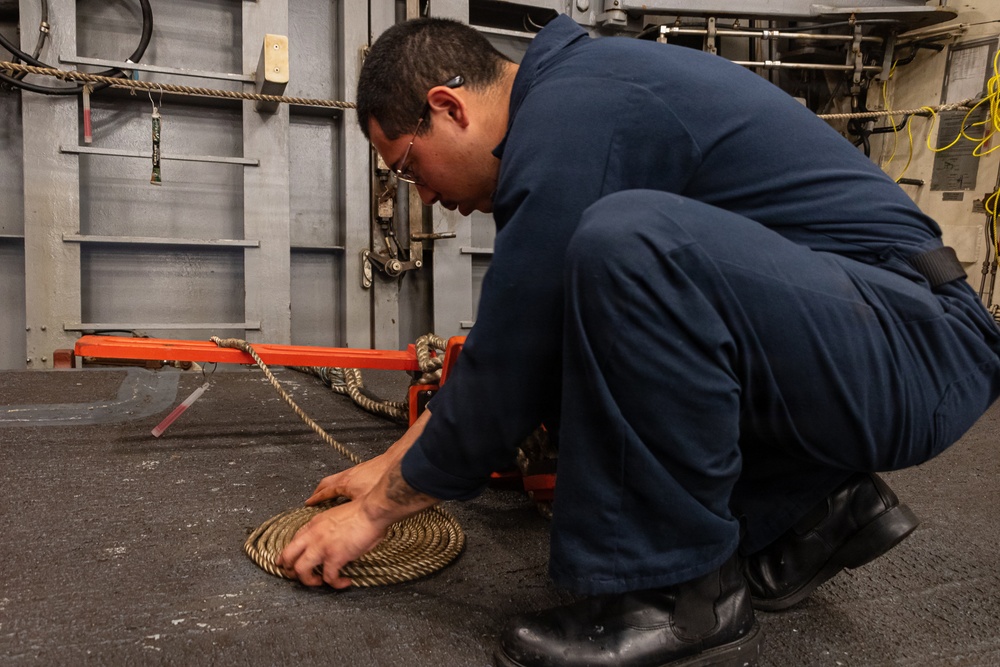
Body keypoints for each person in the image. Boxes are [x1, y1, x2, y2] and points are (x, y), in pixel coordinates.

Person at [276, 14, 1000, 667]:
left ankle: (678, 593)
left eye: (407, 168)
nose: (424, 197)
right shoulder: (580, 97)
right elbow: (522, 336)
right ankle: (812, 512)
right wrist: (391, 463)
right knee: (596, 297)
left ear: (448, 107)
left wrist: (376, 512)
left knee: (628, 245)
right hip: (880, 334)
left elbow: (513, 361)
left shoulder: (571, 114)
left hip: (919, 343)